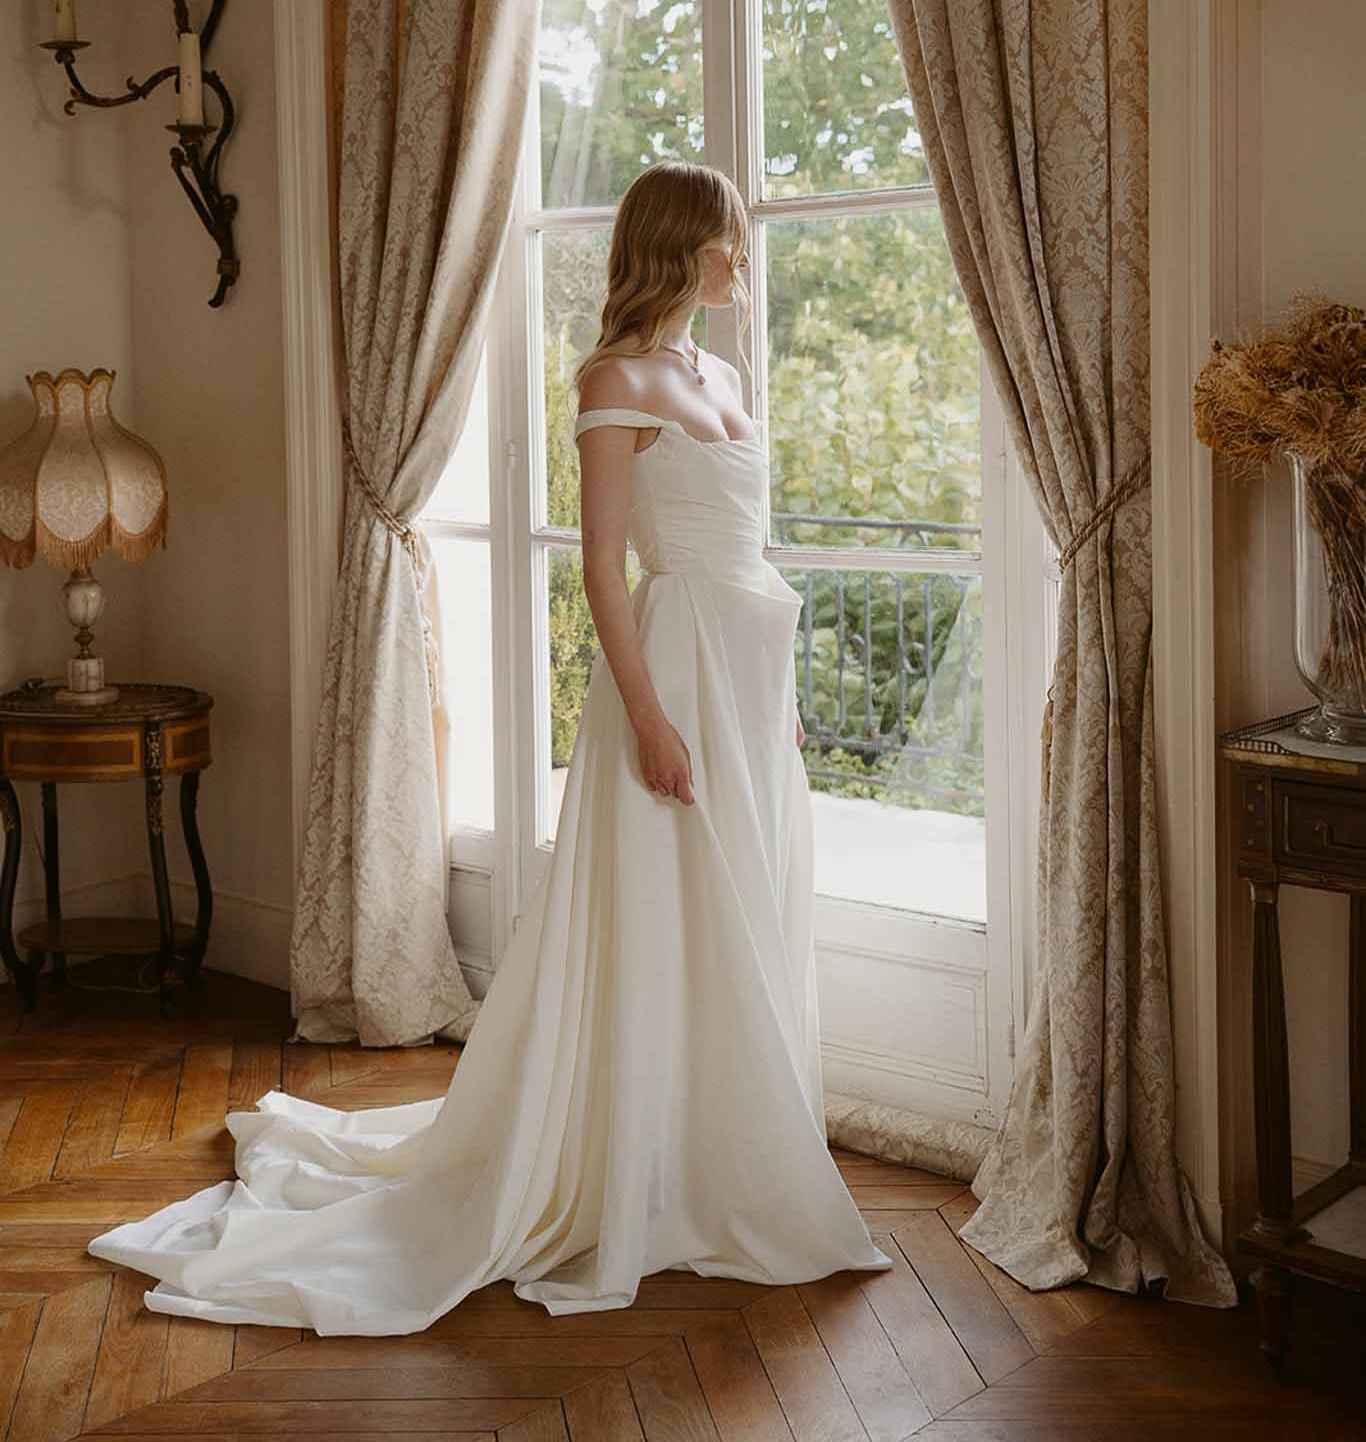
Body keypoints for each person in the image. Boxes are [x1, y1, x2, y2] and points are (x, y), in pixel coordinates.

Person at [85, 159, 893, 1332]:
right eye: (729, 240)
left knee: (744, 905)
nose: (744, 260)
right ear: (680, 246)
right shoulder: (613, 377)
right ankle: (630, 1163)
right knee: (671, 902)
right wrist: (652, 719)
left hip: (750, 678)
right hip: (672, 671)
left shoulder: (720, 370)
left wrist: (783, 701)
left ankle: (712, 1143)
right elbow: (607, 571)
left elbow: (745, 543)